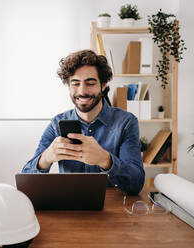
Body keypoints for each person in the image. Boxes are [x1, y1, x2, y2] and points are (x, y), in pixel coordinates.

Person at [22, 50, 144, 195]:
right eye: (75, 83)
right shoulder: (57, 123)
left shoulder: (126, 123)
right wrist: (47, 157)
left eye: (90, 83)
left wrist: (105, 160)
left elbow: (136, 184)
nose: (82, 91)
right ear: (68, 85)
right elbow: (26, 181)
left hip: (112, 210)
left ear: (103, 85)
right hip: (70, 209)